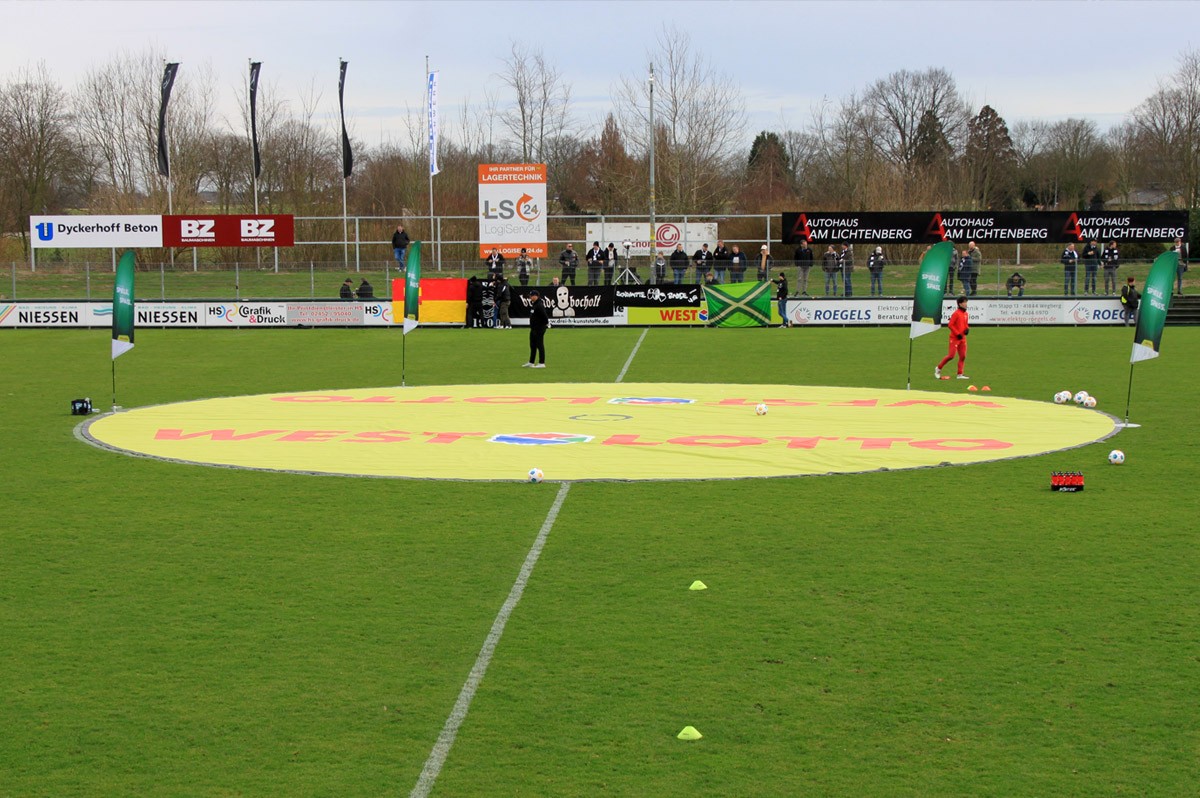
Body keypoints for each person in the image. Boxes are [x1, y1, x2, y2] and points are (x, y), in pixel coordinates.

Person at [935, 295, 970, 380]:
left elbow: (965, 324)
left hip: (962, 338)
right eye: (964, 302)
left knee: (963, 356)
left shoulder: (966, 313)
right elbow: (950, 325)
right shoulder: (956, 313)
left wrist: (967, 329)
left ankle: (960, 374)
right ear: (960, 304)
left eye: (966, 302)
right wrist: (957, 333)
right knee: (951, 356)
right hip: (955, 338)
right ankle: (938, 368)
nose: (966, 304)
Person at [522, 289, 549, 368]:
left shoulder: (539, 305)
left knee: (540, 345)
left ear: (535, 296)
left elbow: (545, 317)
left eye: (531, 296)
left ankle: (542, 362)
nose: (530, 297)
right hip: (533, 328)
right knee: (532, 345)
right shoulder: (534, 304)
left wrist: (543, 325)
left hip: (539, 329)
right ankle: (531, 362)